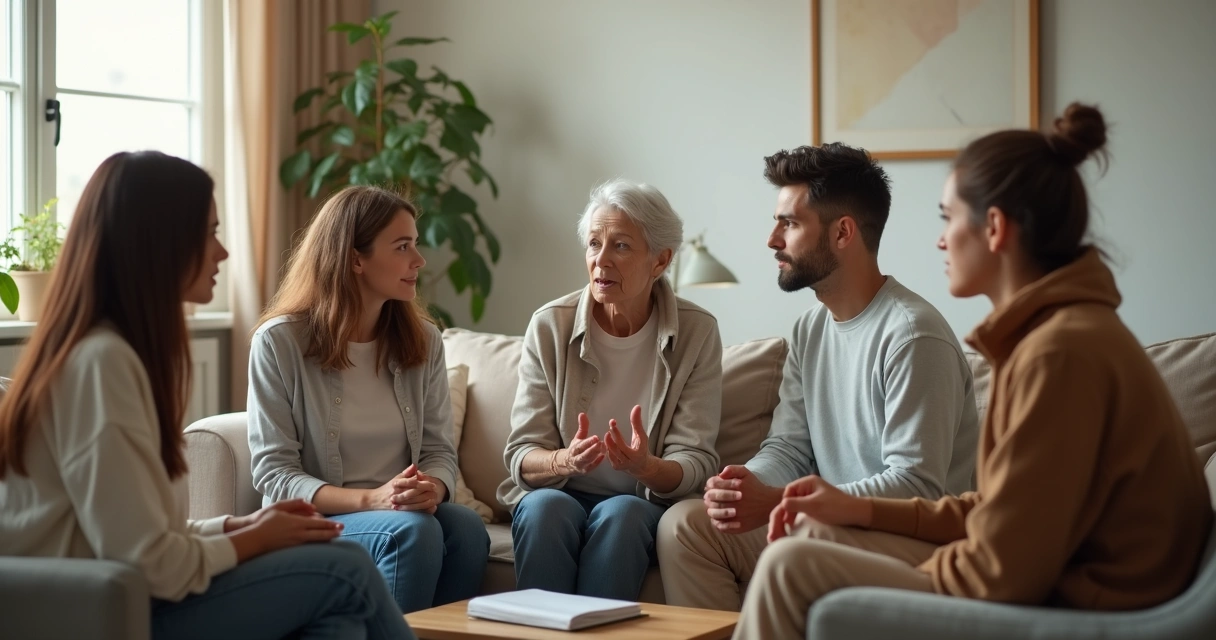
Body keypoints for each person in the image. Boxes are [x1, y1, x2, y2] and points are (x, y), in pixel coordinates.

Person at [732, 103, 1215, 639]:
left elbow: (1004, 569)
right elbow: (1001, 508)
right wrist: (857, 509)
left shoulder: (1060, 353)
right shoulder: (1051, 336)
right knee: (813, 543)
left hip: (1093, 605)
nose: (940, 240)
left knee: (791, 565)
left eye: (947, 218)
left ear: (994, 228)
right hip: (1055, 578)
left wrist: (893, 566)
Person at [0, 151, 414, 639]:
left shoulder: (110, 353)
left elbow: (134, 536)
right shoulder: (102, 364)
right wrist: (256, 538)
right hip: (92, 612)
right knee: (344, 566)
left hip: (124, 590)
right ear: (161, 243)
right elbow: (149, 563)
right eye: (209, 232)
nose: (222, 253)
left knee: (338, 618)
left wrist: (234, 527)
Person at [658, 143, 980, 611]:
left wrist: (777, 501)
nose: (772, 239)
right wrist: (743, 484)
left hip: (913, 542)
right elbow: (790, 448)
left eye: (788, 223)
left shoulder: (914, 335)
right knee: (684, 527)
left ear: (843, 232)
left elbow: (918, 487)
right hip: (824, 525)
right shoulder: (810, 329)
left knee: (803, 538)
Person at [247, 185, 489, 614]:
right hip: (319, 519)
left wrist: (431, 487)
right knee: (413, 531)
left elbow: (438, 451)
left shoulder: (424, 341)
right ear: (355, 258)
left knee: (467, 529)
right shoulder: (279, 343)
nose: (419, 260)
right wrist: (372, 500)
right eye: (402, 246)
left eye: (415, 244)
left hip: (400, 513)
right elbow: (274, 473)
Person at [497, 179, 723, 600]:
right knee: (545, 508)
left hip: (639, 501)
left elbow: (696, 458)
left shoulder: (698, 331)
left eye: (620, 246)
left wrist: (645, 466)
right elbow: (522, 452)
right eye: (594, 244)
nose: (601, 260)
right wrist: (564, 460)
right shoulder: (549, 324)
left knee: (622, 514)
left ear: (660, 261)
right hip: (560, 492)